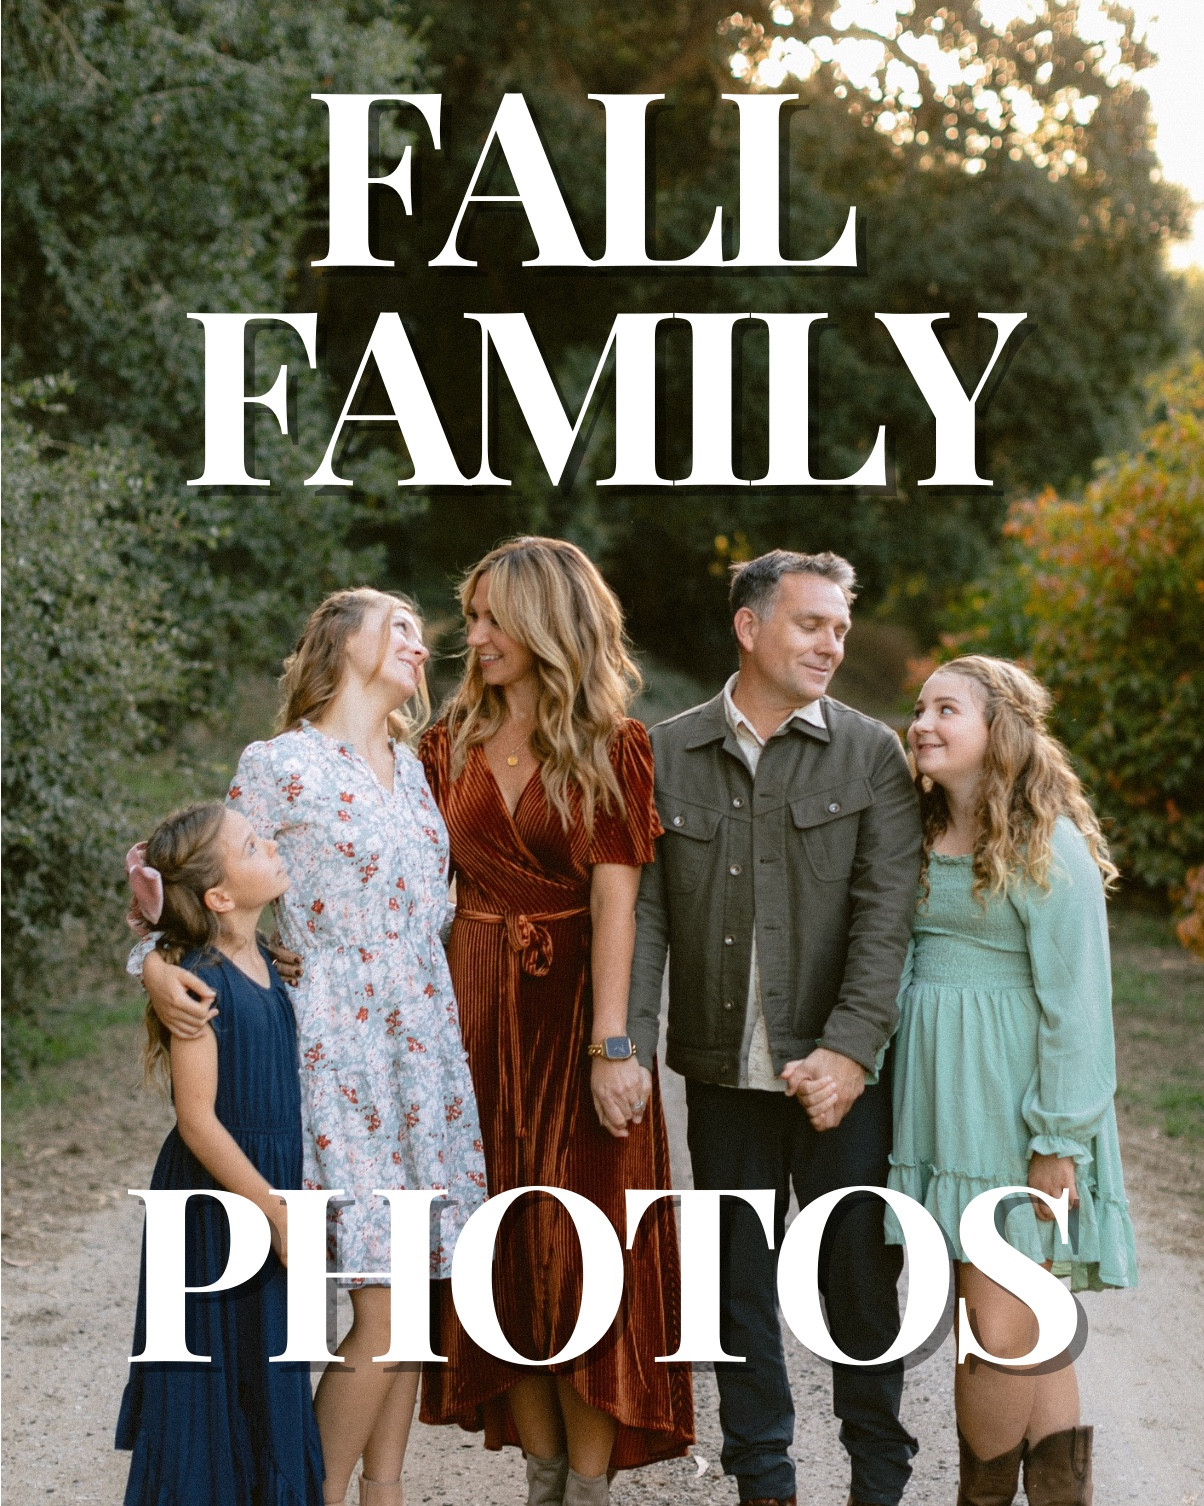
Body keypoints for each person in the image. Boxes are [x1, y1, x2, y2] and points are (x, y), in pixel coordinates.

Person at [135, 589, 488, 1506]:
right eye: (398, 626)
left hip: (423, 1047)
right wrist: (151, 964)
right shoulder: (280, 764)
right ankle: (313, 1494)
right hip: (337, 1048)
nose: (420, 643)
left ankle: (385, 1494)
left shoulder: (416, 766)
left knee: (416, 1290)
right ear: (341, 645)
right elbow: (185, 879)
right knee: (384, 1300)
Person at [626, 549, 922, 1506]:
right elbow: (646, 917)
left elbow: (886, 917)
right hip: (721, 1075)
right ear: (749, 628)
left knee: (857, 1283)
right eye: (812, 624)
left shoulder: (871, 754)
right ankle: (765, 1481)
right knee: (737, 1285)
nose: (832, 644)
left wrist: (850, 1051)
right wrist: (625, 1044)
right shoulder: (665, 752)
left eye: (841, 628)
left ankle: (878, 1480)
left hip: (839, 1081)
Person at [417, 536, 693, 1506]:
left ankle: (588, 1487)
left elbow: (617, 905)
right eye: (472, 616)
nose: (476, 635)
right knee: (500, 1260)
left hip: (574, 1009)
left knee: (585, 1258)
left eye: (495, 617)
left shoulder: (616, 746)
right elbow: (404, 882)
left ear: (546, 623)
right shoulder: (443, 743)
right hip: (472, 1018)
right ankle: (543, 1484)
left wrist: (613, 1046)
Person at [884, 655, 1137, 1506]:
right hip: (943, 1107)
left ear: (1001, 732)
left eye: (946, 709)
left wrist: (1058, 1140)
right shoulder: (919, 828)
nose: (922, 723)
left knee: (993, 1328)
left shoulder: (1045, 842)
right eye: (920, 708)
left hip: (1015, 1111)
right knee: (1027, 1322)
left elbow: (1079, 1003)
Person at [115, 801, 325, 1505]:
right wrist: (275, 1214)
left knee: (264, 1373)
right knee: (208, 1382)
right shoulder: (198, 984)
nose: (272, 847)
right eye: (253, 845)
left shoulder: (267, 961)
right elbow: (198, 1121)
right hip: (218, 1199)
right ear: (219, 898)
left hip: (264, 1191)